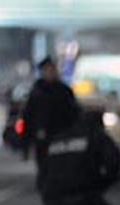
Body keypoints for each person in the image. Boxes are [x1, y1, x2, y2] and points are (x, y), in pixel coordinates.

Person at [22, 56, 81, 190]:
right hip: (42, 135)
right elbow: (29, 115)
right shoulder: (37, 91)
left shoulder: (64, 91)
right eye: (46, 70)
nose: (49, 72)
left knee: (60, 164)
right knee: (44, 163)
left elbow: (73, 113)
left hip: (61, 134)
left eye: (51, 69)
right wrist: (27, 138)